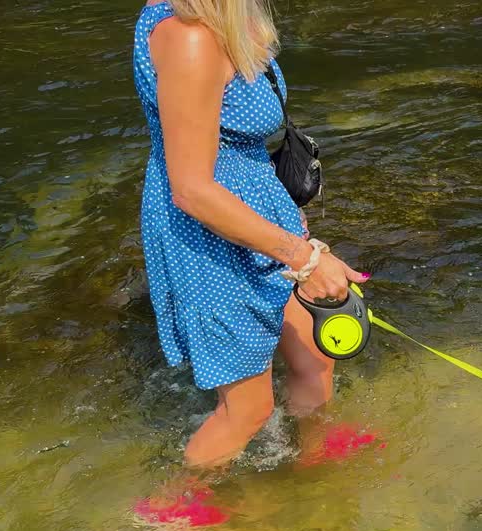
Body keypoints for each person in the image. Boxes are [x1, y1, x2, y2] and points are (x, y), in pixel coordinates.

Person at [131, 0, 365, 468]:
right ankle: (173, 515)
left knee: (317, 358)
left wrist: (281, 215)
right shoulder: (189, 35)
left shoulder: (226, 16)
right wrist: (305, 259)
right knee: (248, 410)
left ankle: (316, 468)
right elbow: (193, 190)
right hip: (210, 236)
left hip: (255, 212)